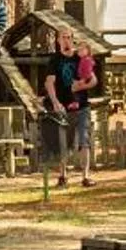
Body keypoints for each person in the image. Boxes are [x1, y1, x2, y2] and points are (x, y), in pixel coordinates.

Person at [41, 28, 96, 187]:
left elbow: (93, 80)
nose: (66, 41)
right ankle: (63, 176)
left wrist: (79, 87)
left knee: (84, 140)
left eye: (69, 38)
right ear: (58, 40)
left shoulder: (79, 57)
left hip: (82, 106)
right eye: (63, 38)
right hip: (64, 107)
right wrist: (56, 102)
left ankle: (85, 177)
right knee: (63, 142)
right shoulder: (55, 60)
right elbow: (49, 83)